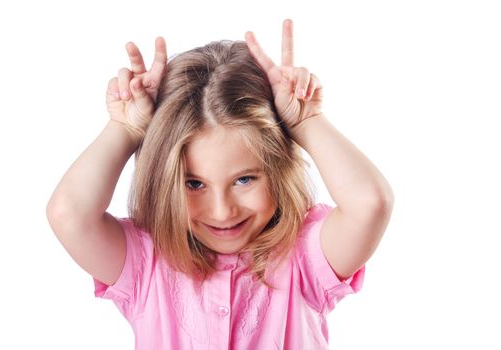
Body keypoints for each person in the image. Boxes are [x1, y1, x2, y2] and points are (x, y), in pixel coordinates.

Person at [47, 19, 394, 349]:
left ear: (276, 170)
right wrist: (124, 130)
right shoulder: (147, 262)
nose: (222, 211)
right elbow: (69, 214)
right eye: (194, 184)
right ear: (163, 182)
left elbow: (370, 204)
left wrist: (307, 122)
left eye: (244, 179)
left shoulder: (303, 256)